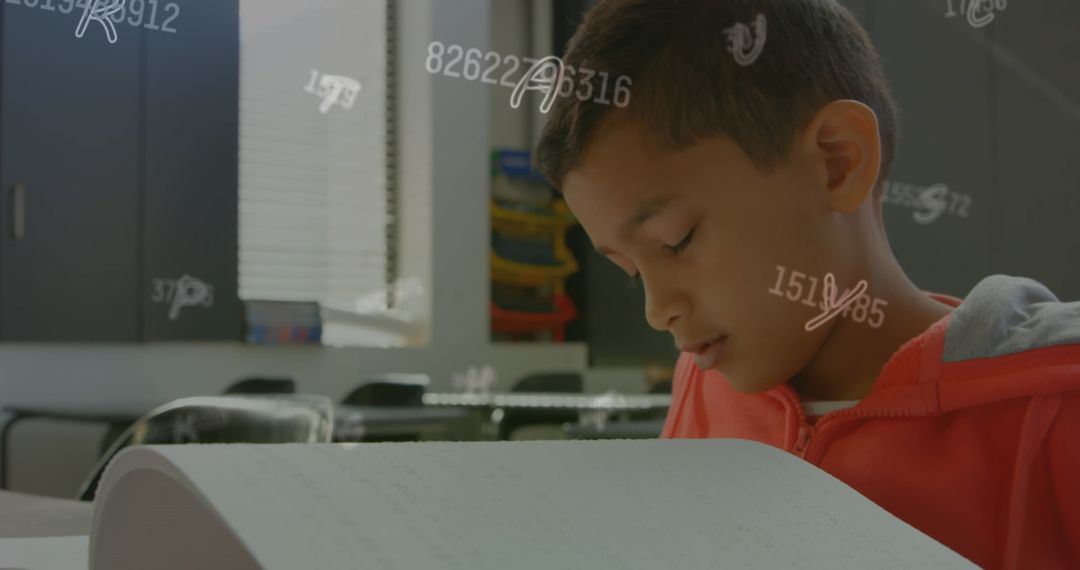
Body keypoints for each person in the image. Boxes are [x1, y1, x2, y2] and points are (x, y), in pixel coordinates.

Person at [533, 1, 1080, 568]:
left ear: (837, 161)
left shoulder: (1053, 411)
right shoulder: (703, 392)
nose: (656, 309)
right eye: (630, 271)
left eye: (677, 242)